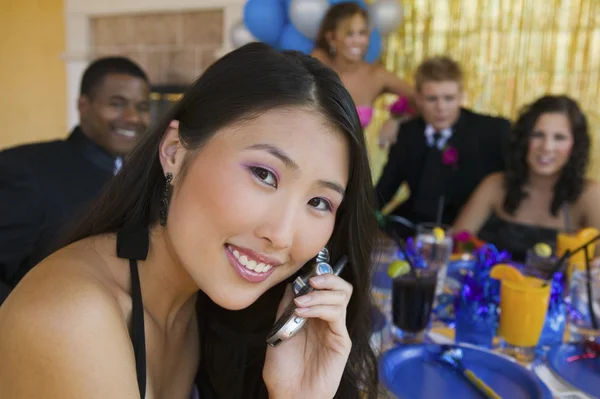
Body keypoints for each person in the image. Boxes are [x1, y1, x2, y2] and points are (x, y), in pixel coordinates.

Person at [0, 43, 379, 399]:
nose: (281, 236)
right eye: (264, 174)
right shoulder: (73, 321)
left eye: (318, 201)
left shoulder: (208, 305)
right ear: (174, 152)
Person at [0, 56, 150, 303]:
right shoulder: (25, 170)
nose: (133, 117)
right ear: (83, 105)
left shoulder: (140, 177)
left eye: (142, 107)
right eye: (117, 104)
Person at [375, 56, 510, 237]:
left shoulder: (492, 131)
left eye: (449, 98)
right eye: (432, 99)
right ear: (419, 99)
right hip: (412, 226)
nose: (441, 108)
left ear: (462, 97)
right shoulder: (408, 133)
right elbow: (384, 190)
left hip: (468, 231)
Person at [453, 95, 600, 261]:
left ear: (575, 146)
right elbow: (457, 240)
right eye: (537, 135)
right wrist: (477, 254)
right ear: (523, 140)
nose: (547, 147)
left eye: (559, 138)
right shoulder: (495, 185)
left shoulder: (590, 194)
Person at [311, 2, 416, 147]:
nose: (357, 41)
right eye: (349, 34)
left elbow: (421, 99)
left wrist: (396, 119)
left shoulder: (376, 74)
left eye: (362, 33)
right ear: (331, 38)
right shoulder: (318, 64)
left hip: (354, 163)